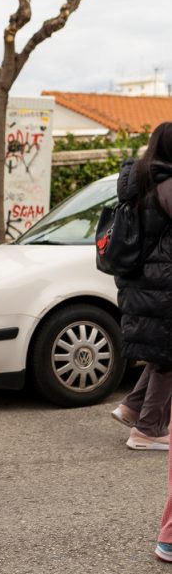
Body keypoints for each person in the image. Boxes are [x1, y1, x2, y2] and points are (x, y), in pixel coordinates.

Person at [110, 122, 172, 452]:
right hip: (163, 283)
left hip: (140, 280)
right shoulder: (166, 184)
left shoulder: (139, 182)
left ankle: (132, 407)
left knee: (160, 349)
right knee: (167, 356)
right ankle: (148, 430)